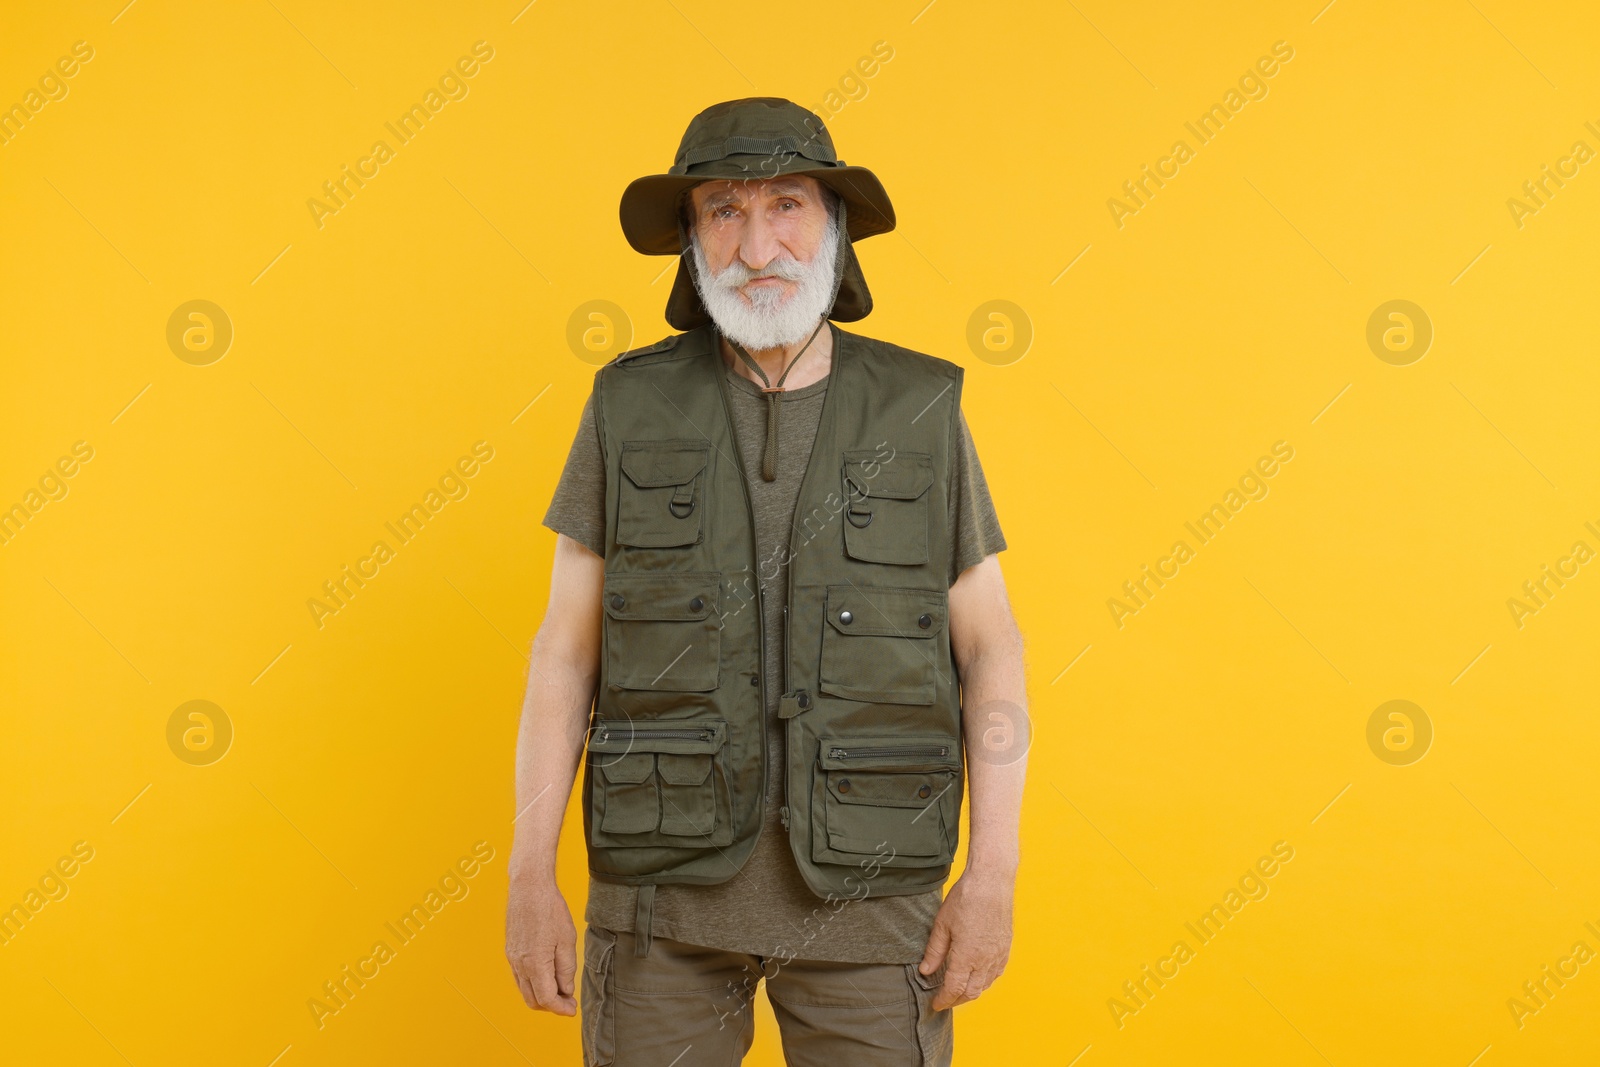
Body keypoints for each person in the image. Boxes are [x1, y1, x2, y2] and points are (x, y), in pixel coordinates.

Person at [505, 96, 1029, 1066]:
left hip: (871, 901)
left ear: (831, 227)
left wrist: (992, 873)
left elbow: (990, 647)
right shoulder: (627, 402)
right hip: (660, 899)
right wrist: (528, 873)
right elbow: (563, 652)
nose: (757, 243)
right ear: (691, 241)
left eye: (786, 204)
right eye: (723, 210)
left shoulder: (919, 406)